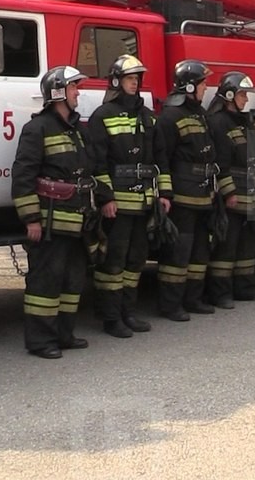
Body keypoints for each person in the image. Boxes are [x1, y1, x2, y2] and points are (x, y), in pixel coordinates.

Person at [11, 65, 106, 359]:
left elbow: (93, 167)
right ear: (58, 92)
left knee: (73, 279)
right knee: (45, 282)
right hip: (51, 222)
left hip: (79, 220)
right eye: (74, 87)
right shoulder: (36, 129)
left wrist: (105, 199)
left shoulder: (80, 130)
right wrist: (31, 219)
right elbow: (23, 176)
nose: (79, 92)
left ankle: (64, 335)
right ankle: (41, 341)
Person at [84, 54, 163, 338]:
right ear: (117, 81)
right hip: (117, 206)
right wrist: (106, 199)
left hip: (144, 203)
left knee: (136, 260)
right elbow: (97, 162)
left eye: (138, 79)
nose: (135, 83)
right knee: (112, 262)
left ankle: (128, 312)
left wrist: (162, 193)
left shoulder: (146, 116)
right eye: (131, 78)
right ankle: (110, 317)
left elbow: (159, 157)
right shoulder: (101, 117)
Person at [154, 59, 219, 321]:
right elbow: (163, 158)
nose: (206, 88)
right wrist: (166, 194)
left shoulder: (199, 113)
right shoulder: (170, 116)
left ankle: (193, 299)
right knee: (178, 254)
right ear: (190, 86)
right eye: (203, 83)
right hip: (182, 197)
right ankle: (171, 305)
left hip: (204, 195)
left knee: (199, 252)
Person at [206, 71, 255, 305]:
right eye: (242, 94)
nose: (246, 99)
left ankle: (246, 288)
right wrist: (229, 192)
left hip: (250, 192)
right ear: (229, 95)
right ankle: (220, 293)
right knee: (226, 246)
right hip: (233, 194)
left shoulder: (245, 121)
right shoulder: (218, 122)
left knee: (247, 244)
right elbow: (220, 161)